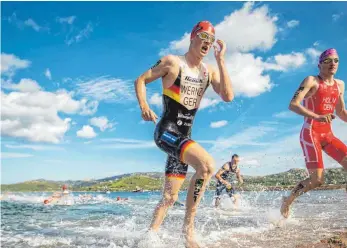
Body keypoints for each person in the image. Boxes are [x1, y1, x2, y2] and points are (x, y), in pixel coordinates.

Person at [134, 20, 234, 248]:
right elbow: (140, 80)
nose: (207, 43)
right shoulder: (173, 62)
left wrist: (221, 61)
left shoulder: (208, 72)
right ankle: (188, 232)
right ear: (193, 38)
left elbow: (228, 96)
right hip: (167, 133)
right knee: (207, 165)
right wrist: (143, 106)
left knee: (170, 198)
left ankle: (148, 238)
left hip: (183, 140)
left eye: (211, 39)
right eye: (203, 37)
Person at [281, 48, 347, 218]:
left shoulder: (340, 85)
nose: (333, 63)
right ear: (320, 64)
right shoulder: (312, 80)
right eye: (328, 60)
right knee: (317, 180)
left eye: (336, 60)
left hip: (328, 135)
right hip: (310, 133)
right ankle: (288, 200)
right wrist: (317, 116)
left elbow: (340, 112)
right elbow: (293, 104)